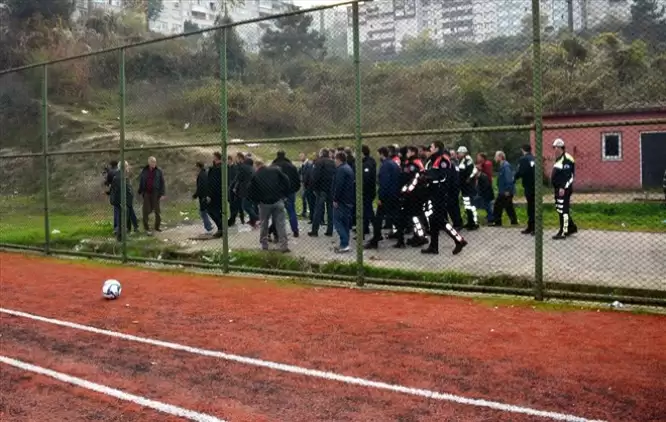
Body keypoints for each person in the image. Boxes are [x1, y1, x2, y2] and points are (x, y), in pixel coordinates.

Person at [422, 141, 467, 255]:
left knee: (439, 220)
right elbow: (433, 173)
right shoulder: (434, 159)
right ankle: (434, 246)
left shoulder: (443, 160)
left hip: (440, 194)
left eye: (431, 147)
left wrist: (428, 178)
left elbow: (443, 176)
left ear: (437, 148)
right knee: (434, 220)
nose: (429, 148)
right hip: (434, 193)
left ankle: (459, 240)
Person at [247, 160, 291, 253]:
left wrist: (257, 200)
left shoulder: (256, 175)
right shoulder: (275, 170)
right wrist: (284, 194)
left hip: (264, 203)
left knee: (264, 224)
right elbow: (286, 179)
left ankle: (264, 245)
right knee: (281, 224)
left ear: (256, 166)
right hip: (278, 200)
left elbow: (250, 190)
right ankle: (284, 246)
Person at [365, 147, 401, 249]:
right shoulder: (394, 164)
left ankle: (375, 240)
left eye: (378, 154)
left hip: (386, 196)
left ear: (381, 154)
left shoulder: (385, 166)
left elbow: (384, 183)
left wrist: (380, 197)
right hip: (394, 194)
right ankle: (400, 239)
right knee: (395, 217)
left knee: (378, 219)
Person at [394, 146, 428, 248]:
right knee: (413, 216)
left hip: (413, 195)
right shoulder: (411, 163)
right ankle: (417, 236)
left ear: (413, 152)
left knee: (414, 216)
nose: (406, 153)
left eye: (408, 152)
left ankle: (420, 236)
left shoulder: (414, 164)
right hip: (412, 194)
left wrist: (405, 190)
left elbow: (413, 180)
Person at [551, 138, 578, 239]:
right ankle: (571, 227)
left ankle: (563, 231)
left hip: (564, 190)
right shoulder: (560, 158)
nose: (554, 150)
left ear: (559, 147)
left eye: (555, 148)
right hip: (559, 189)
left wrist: (563, 187)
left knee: (563, 210)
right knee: (561, 209)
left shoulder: (567, 159)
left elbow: (569, 176)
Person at [271, 151, 301, 238]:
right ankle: (295, 230)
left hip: (277, 193)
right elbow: (297, 180)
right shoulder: (291, 166)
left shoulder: (273, 166)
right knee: (291, 211)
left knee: (276, 213)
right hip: (290, 192)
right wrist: (294, 189)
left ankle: (276, 232)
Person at [308, 148, 336, 237]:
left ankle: (315, 230)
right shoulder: (333, 163)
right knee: (330, 210)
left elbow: (315, 177)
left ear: (321, 154)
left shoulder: (319, 162)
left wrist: (313, 188)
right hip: (330, 189)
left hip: (321, 189)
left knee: (318, 210)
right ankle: (330, 230)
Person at [331, 151, 355, 253]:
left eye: (335, 159)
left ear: (338, 159)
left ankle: (344, 243)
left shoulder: (341, 170)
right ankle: (345, 244)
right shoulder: (348, 168)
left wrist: (335, 199)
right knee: (345, 223)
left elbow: (338, 186)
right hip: (348, 199)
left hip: (341, 200)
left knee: (337, 221)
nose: (334, 161)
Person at [109, 161, 138, 241]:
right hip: (121, 202)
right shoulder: (120, 177)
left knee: (123, 218)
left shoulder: (121, 176)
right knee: (122, 219)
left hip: (123, 202)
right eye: (127, 166)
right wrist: (123, 202)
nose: (128, 168)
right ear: (124, 167)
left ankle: (123, 235)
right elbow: (120, 191)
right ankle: (120, 237)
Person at [137, 156, 165, 235]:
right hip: (146, 192)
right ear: (149, 162)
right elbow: (142, 180)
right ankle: (146, 227)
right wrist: (140, 190)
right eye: (152, 162)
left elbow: (162, 182)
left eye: (155, 162)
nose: (154, 163)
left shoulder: (159, 171)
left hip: (155, 193)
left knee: (157, 210)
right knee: (145, 211)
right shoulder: (145, 170)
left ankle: (157, 226)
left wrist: (162, 193)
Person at [231, 152, 258, 228]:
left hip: (246, 190)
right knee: (250, 205)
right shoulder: (252, 168)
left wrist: (235, 187)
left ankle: (257, 218)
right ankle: (253, 221)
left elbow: (239, 179)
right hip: (252, 189)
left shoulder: (243, 167)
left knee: (245, 206)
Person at [492, 151, 518, 226]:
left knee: (498, 206)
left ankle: (498, 222)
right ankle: (514, 221)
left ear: (500, 157)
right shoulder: (502, 165)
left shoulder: (505, 166)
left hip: (506, 191)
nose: (495, 158)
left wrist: (507, 190)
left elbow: (508, 178)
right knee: (508, 206)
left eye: (496, 156)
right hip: (503, 190)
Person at [456, 146, 479, 230]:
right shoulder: (463, 161)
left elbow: (470, 172)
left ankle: (473, 223)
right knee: (467, 205)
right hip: (465, 188)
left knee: (470, 205)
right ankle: (470, 222)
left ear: (463, 153)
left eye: (459, 153)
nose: (457, 154)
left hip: (468, 188)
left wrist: (468, 178)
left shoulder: (468, 161)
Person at [514, 144, 536, 234]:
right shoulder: (534, 158)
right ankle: (533, 227)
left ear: (522, 150)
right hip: (536, 185)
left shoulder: (523, 159)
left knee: (531, 207)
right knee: (534, 206)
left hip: (528, 185)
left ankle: (532, 227)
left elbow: (521, 171)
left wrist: (514, 178)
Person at [192, 161, 213, 235]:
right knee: (205, 211)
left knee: (203, 212)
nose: (195, 168)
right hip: (205, 195)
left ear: (198, 167)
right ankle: (209, 225)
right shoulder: (205, 173)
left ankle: (209, 227)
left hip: (203, 196)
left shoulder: (201, 175)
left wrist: (195, 195)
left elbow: (200, 187)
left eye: (196, 167)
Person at [360, 145, 377, 238]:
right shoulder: (367, 161)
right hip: (367, 191)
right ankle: (364, 229)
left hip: (367, 192)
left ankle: (376, 231)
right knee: (366, 211)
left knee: (369, 212)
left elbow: (366, 178)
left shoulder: (368, 163)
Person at [206, 152, 224, 237]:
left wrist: (209, 195)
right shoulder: (221, 167)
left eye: (213, 157)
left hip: (215, 194)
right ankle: (222, 228)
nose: (212, 158)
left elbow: (213, 183)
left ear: (216, 158)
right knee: (219, 212)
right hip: (221, 193)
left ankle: (221, 228)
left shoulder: (216, 169)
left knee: (211, 211)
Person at [103, 160, 119, 235]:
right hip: (120, 194)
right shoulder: (119, 171)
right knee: (120, 211)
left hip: (114, 194)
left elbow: (107, 183)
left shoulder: (111, 172)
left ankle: (116, 228)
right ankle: (120, 227)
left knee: (116, 211)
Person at [298, 152, 315, 220]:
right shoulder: (302, 164)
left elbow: (309, 175)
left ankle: (310, 214)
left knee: (309, 200)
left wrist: (306, 184)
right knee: (304, 198)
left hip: (308, 185)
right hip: (304, 184)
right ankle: (304, 211)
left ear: (305, 156)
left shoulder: (309, 164)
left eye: (301, 156)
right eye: (299, 156)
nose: (300, 157)